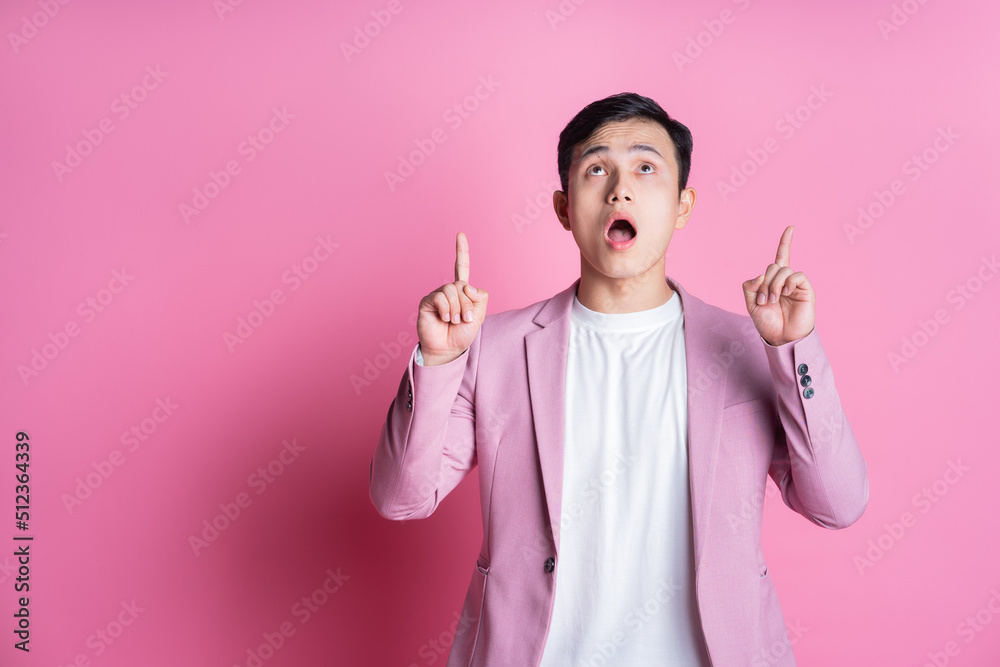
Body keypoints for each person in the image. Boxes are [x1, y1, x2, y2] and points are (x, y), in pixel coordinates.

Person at [369, 92, 869, 666]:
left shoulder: (749, 347)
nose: (620, 190)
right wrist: (436, 361)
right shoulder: (493, 349)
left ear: (683, 206)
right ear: (563, 207)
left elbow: (838, 503)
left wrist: (791, 347)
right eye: (597, 168)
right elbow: (400, 499)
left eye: (646, 167)